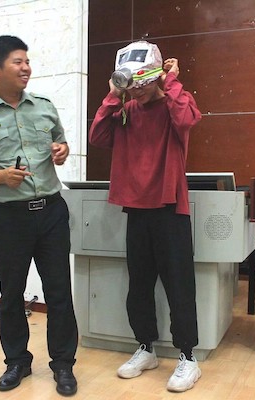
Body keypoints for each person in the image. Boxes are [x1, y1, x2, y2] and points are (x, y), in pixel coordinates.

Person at [0, 35, 78, 397]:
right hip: (10, 218)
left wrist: (62, 150)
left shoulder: (44, 107)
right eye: (18, 62)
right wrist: (0, 177)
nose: (26, 68)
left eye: (27, 61)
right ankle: (17, 362)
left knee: (59, 291)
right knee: (11, 293)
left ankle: (63, 364)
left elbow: (61, 142)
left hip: (52, 212)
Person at [88, 40, 202, 392]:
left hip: (169, 207)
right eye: (131, 82)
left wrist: (170, 80)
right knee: (138, 286)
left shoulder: (173, 105)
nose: (136, 88)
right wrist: (113, 94)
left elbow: (187, 118)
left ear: (154, 76)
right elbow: (97, 136)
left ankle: (188, 357)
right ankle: (146, 348)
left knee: (179, 285)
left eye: (142, 81)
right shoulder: (126, 110)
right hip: (136, 208)